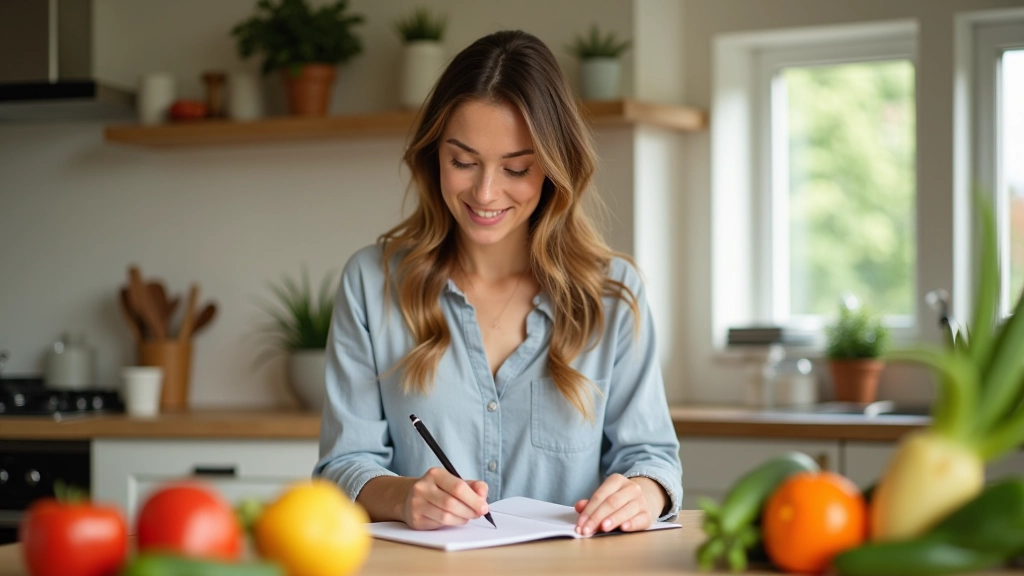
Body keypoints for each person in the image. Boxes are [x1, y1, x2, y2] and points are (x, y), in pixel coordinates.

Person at [313, 29, 682, 536]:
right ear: (432, 156)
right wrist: (404, 497)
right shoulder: (371, 282)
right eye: (462, 162)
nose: (485, 192)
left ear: (555, 167)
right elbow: (341, 466)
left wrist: (641, 492)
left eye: (517, 168)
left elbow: (652, 457)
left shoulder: (612, 293)